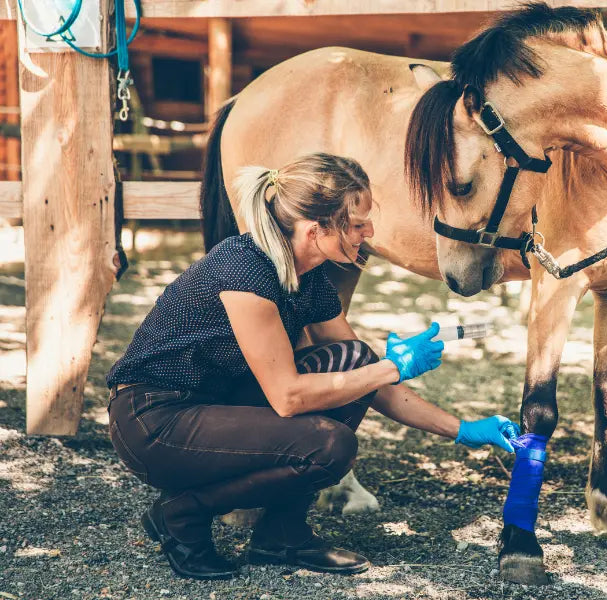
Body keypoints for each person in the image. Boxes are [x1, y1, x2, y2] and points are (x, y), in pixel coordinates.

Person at [106, 153, 519, 581]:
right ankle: (182, 514)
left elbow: (365, 377)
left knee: (356, 357)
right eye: (357, 224)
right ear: (315, 229)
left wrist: (464, 429)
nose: (370, 232)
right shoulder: (245, 272)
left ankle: (281, 534)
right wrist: (392, 368)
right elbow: (289, 398)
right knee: (330, 447)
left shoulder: (309, 276)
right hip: (154, 422)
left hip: (212, 407)